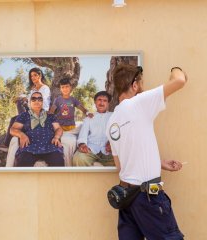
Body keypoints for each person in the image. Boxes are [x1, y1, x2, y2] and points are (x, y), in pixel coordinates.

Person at [106, 65, 187, 240]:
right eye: (141, 83)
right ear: (134, 85)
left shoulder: (111, 122)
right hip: (148, 195)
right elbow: (179, 80)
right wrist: (175, 68)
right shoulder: (139, 102)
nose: (142, 87)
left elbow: (121, 165)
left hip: (126, 197)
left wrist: (159, 163)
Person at [0, 67, 51, 150]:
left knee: (14, 119)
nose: (33, 78)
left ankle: (7, 143)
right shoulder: (34, 89)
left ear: (40, 75)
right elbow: (30, 99)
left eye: (35, 75)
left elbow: (42, 103)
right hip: (31, 111)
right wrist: (25, 99)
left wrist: (29, 101)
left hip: (40, 112)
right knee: (18, 104)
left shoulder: (45, 88)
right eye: (31, 76)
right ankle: (21, 119)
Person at [10, 91, 64, 167]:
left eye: (39, 99)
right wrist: (22, 135)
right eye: (34, 99)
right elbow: (13, 129)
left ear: (42, 102)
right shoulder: (24, 115)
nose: (37, 101)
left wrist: (56, 137)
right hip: (29, 147)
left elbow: (58, 128)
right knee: (22, 162)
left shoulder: (50, 116)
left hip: (50, 146)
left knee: (58, 161)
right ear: (29, 102)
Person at [49, 78, 93, 166]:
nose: (65, 89)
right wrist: (48, 116)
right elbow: (52, 110)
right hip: (60, 126)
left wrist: (87, 113)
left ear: (71, 88)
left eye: (67, 87)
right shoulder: (58, 99)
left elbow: (81, 107)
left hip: (70, 127)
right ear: (60, 89)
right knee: (61, 139)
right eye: (63, 87)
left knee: (73, 139)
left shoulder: (73, 100)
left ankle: (72, 159)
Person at [72, 91, 114, 167]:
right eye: (99, 100)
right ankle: (86, 179)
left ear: (108, 103)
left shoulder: (113, 116)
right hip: (91, 149)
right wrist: (82, 144)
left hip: (109, 150)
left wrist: (112, 143)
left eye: (105, 101)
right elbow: (83, 134)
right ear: (95, 102)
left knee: (123, 158)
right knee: (78, 158)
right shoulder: (90, 117)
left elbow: (117, 133)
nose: (101, 103)